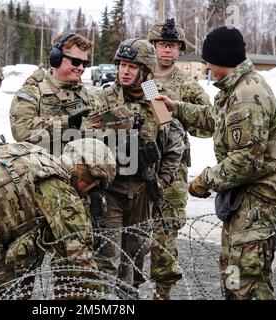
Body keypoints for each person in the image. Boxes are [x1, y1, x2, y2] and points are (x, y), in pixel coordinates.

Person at [157, 26, 276, 300]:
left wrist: (204, 181)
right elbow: (214, 118)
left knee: (243, 283)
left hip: (255, 204)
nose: (204, 64)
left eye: (207, 58)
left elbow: (245, 161)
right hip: (244, 202)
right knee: (243, 278)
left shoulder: (247, 96)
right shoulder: (236, 89)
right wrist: (175, 107)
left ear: (219, 59)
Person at [0, 138, 116, 300]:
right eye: (93, 188)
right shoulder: (60, 188)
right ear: (84, 177)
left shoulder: (35, 155)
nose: (87, 196)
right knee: (4, 295)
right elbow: (77, 257)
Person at [86, 38, 185, 296]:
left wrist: (161, 181)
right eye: (122, 65)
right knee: (108, 259)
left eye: (132, 66)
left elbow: (175, 145)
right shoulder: (105, 97)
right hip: (111, 190)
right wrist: (117, 123)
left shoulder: (156, 99)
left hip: (143, 192)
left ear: (145, 71)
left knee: (135, 261)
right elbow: (86, 131)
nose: (125, 71)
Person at [146, 18, 213, 299]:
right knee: (132, 232)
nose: (167, 51)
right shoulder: (141, 77)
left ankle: (163, 293)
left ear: (179, 49)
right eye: (163, 44)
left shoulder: (187, 84)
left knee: (164, 233)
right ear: (154, 46)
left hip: (172, 169)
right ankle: (128, 289)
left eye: (173, 46)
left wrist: (179, 111)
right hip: (138, 166)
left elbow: (209, 123)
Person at [10, 33, 103, 154]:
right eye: (75, 61)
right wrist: (66, 123)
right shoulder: (32, 93)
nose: (81, 68)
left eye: (84, 63)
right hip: (44, 169)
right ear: (56, 58)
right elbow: (21, 131)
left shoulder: (90, 98)